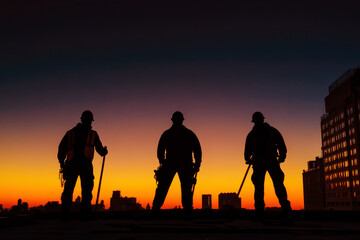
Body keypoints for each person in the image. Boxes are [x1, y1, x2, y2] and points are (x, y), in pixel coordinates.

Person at [58, 110, 108, 218]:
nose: (89, 123)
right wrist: (104, 151)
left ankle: (66, 214)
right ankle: (84, 214)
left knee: (73, 190)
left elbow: (61, 149)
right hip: (82, 166)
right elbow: (100, 150)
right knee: (83, 190)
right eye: (89, 120)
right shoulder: (90, 134)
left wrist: (62, 162)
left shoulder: (72, 133)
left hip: (76, 166)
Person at [152, 111, 202, 217]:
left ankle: (156, 209)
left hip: (175, 164)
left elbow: (160, 149)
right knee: (184, 188)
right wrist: (197, 163)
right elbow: (197, 149)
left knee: (166, 187)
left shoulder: (167, 134)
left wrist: (162, 160)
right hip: (181, 164)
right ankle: (187, 211)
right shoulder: (188, 134)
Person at [244, 112, 292, 220]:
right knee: (271, 185)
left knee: (267, 186)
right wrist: (282, 156)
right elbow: (281, 145)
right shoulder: (269, 131)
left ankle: (261, 211)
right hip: (267, 161)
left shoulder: (253, 134)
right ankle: (284, 208)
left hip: (265, 162)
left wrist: (248, 159)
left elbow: (247, 152)